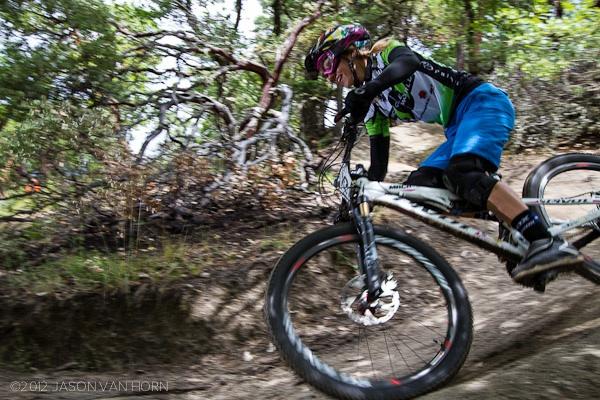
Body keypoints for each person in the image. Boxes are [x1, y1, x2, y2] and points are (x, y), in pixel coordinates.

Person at [304, 23, 584, 288]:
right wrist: (354, 206)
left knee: (463, 173)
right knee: (420, 191)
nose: (330, 76)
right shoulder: (374, 108)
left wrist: (367, 90)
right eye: (324, 74)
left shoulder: (385, 52)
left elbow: (408, 63)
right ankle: (510, 215)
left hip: (481, 101)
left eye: (328, 65)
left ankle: (545, 241)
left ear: (351, 51)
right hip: (456, 128)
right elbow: (378, 170)